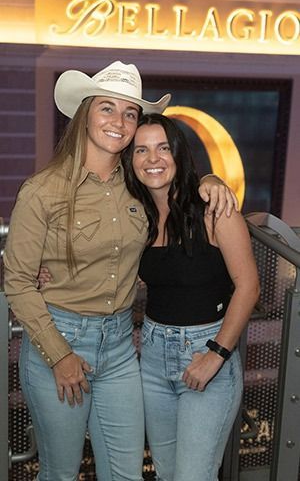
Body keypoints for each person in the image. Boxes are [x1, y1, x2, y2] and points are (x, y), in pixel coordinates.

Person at [3, 60, 237, 481]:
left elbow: (178, 196)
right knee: (60, 471)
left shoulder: (138, 186)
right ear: (85, 115)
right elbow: (17, 281)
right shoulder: (43, 190)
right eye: (107, 108)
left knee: (126, 473)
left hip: (121, 349)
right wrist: (59, 356)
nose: (120, 121)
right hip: (60, 339)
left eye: (130, 112)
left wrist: (213, 179)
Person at [122, 113, 260, 481]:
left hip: (205, 352)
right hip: (151, 357)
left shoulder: (214, 209)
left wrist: (215, 355)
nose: (153, 159)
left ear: (178, 153)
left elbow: (248, 286)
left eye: (163, 148)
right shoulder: (139, 216)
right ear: (130, 160)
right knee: (167, 475)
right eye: (141, 150)